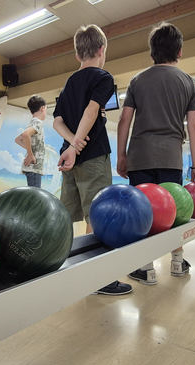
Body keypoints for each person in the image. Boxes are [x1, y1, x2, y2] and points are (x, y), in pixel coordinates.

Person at [117, 22, 195, 285]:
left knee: (143, 213)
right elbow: (194, 126)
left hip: (140, 156)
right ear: (179, 51)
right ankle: (178, 263)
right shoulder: (190, 83)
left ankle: (145, 268)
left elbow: (125, 121)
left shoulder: (137, 80)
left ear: (151, 53)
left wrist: (121, 156)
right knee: (175, 212)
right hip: (171, 158)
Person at [53, 24, 132, 296]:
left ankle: (61, 264)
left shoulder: (69, 83)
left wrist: (71, 143)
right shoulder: (103, 77)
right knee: (97, 216)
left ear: (77, 55)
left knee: (69, 214)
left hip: (68, 158)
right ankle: (97, 278)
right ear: (102, 50)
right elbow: (91, 109)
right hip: (92, 155)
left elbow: (57, 122)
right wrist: (77, 145)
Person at [15, 95, 47, 188]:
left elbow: (18, 139)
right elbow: (25, 134)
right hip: (34, 167)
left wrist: (31, 150)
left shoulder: (32, 122)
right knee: (34, 196)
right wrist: (30, 154)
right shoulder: (38, 122)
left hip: (32, 168)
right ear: (42, 108)